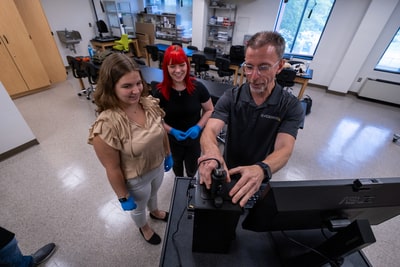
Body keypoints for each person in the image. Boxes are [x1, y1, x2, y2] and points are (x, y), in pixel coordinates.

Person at [198, 31, 305, 207]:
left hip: (259, 175)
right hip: (227, 170)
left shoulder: (290, 106)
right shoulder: (232, 97)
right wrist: (212, 153)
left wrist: (261, 169)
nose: (254, 76)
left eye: (263, 67)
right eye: (249, 66)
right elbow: (210, 130)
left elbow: (285, 149)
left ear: (279, 66)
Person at [88, 53, 172, 245]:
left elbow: (161, 129)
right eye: (127, 86)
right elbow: (112, 168)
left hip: (158, 166)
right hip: (136, 179)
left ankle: (155, 211)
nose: (135, 90)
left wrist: (168, 154)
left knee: (154, 193)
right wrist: (122, 196)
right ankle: (144, 227)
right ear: (111, 88)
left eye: (138, 83)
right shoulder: (107, 124)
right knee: (139, 206)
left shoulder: (148, 103)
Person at [153, 45, 214, 177]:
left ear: (187, 65)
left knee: (192, 169)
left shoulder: (198, 87)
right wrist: (171, 130)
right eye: (172, 66)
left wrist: (198, 127)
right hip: (172, 141)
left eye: (181, 65)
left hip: (194, 140)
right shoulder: (160, 92)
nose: (178, 70)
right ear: (166, 68)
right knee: (178, 170)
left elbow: (209, 109)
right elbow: (154, 119)